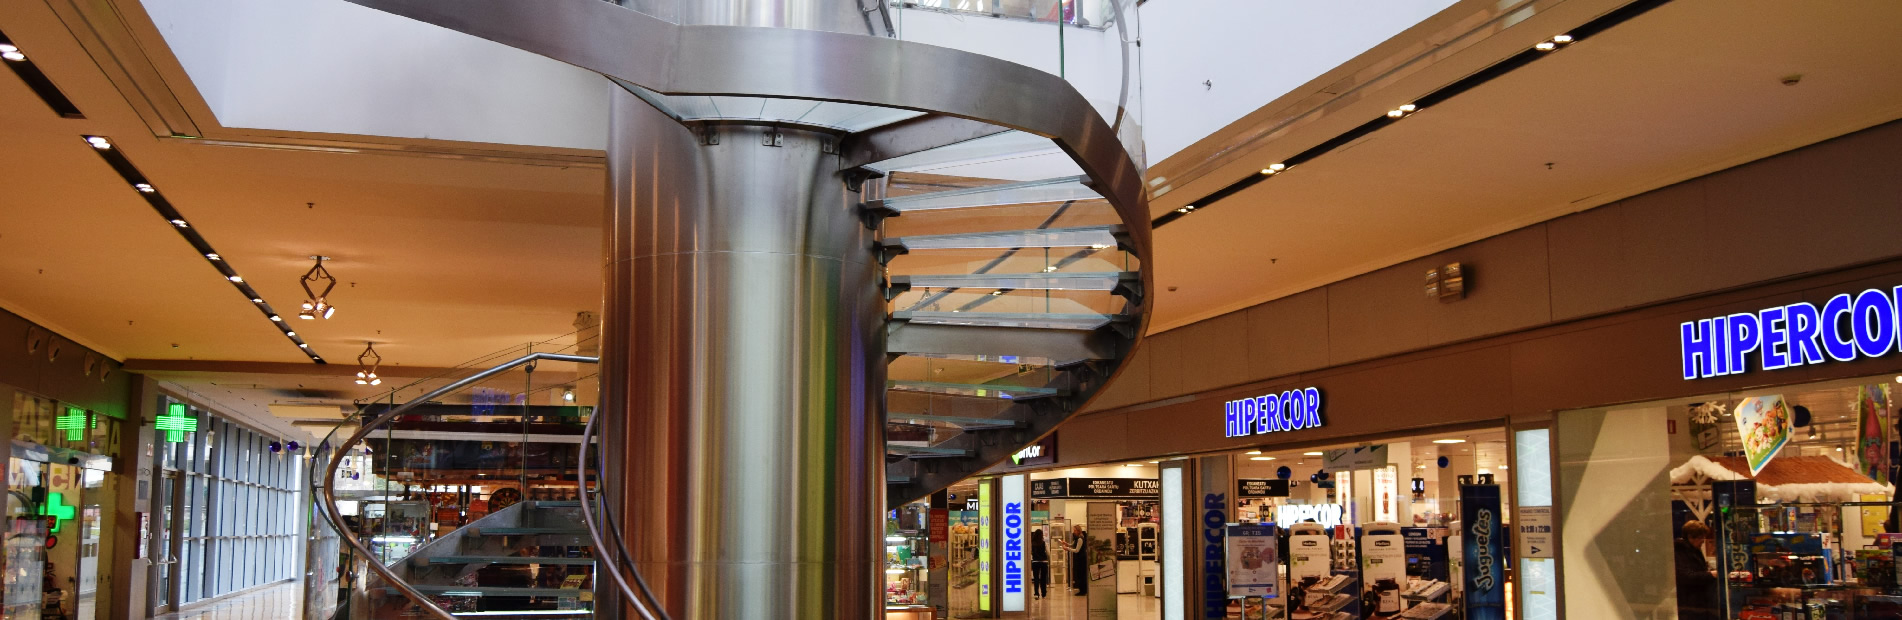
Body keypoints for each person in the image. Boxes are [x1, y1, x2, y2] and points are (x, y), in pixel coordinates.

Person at [1675, 520, 1721, 620]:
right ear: (1690, 536)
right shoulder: (1681, 550)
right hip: (1690, 604)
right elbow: (1686, 576)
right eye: (1700, 537)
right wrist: (1711, 574)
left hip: (1696, 602)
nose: (1703, 541)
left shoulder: (1692, 550)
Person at [1067, 524, 1089, 595]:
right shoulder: (1077, 538)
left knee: (1081, 575)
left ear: (1078, 531)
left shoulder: (1080, 539)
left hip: (1081, 559)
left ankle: (1083, 590)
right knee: (1079, 574)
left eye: (1075, 530)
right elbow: (1072, 545)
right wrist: (1066, 544)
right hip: (1079, 559)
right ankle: (1082, 590)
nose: (1074, 532)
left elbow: (1077, 550)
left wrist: (1067, 549)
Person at [1031, 528, 1051, 598]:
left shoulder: (1032, 544)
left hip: (1035, 562)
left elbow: (1030, 553)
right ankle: (1044, 593)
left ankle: (1036, 593)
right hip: (1043, 562)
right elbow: (1048, 553)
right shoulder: (1044, 543)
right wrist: (1048, 560)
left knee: (1036, 578)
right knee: (1043, 578)